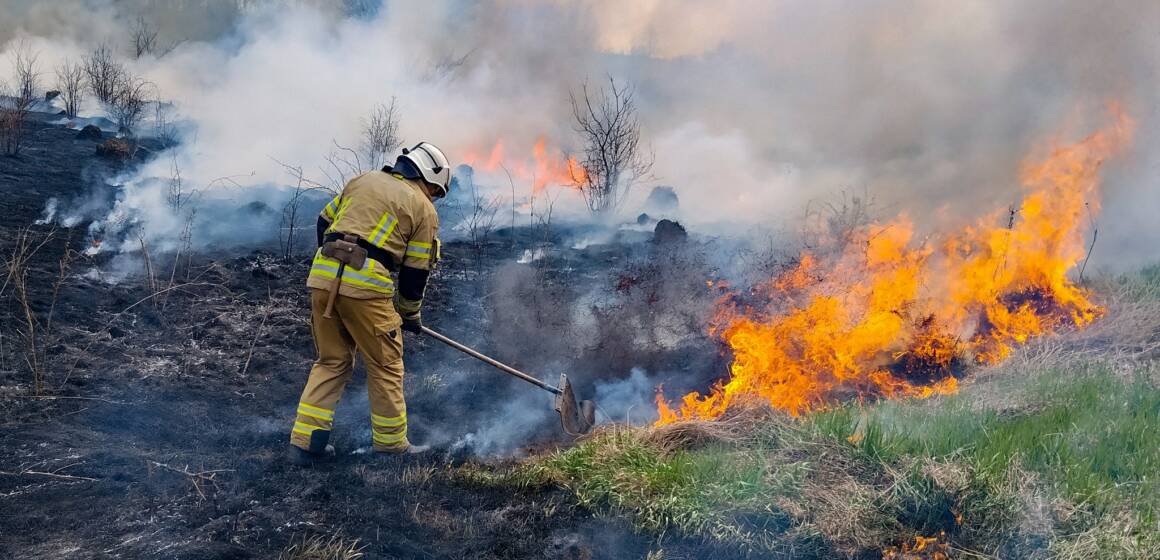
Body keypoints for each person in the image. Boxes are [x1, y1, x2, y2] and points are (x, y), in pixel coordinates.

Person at [288, 142, 449, 465]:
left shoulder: (362, 180)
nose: (433, 197)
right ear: (429, 177)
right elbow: (415, 273)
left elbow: (323, 222)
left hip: (322, 279)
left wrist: (333, 262)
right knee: (385, 364)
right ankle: (391, 445)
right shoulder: (422, 207)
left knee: (331, 361)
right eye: (435, 190)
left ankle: (305, 443)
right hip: (366, 288)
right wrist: (409, 314)